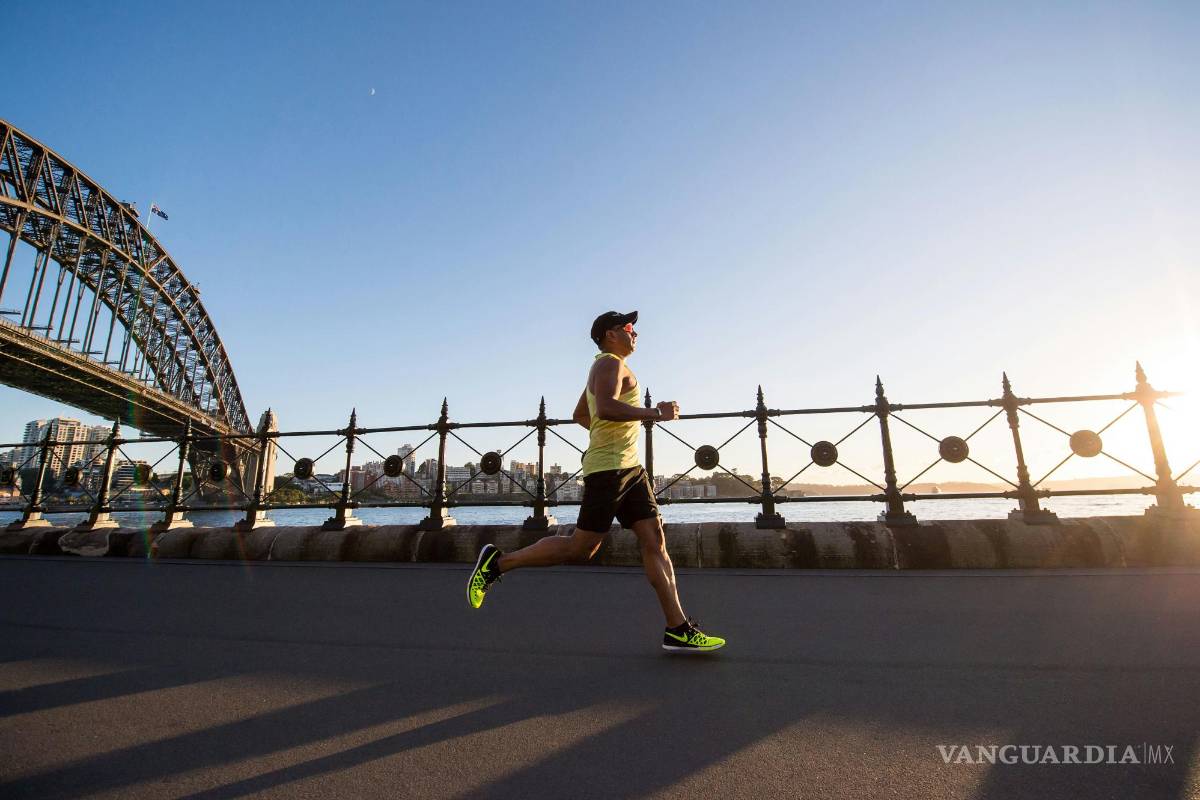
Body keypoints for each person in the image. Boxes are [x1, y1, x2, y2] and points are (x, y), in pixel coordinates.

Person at [467, 310, 725, 653]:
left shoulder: (610, 366)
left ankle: (677, 628)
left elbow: (581, 414)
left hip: (630, 469)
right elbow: (603, 408)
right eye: (629, 327)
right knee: (581, 548)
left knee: (655, 540)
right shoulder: (608, 365)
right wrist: (654, 414)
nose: (635, 333)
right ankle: (497, 563)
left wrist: (611, 438)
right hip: (609, 471)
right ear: (609, 333)